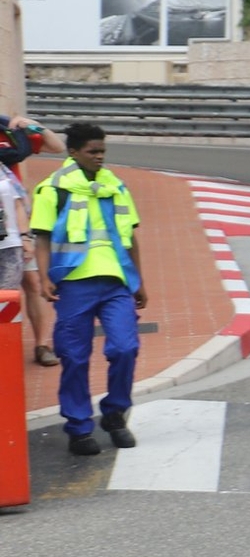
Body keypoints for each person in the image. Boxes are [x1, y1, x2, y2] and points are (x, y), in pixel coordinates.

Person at [26, 123, 147, 458]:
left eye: (103, 151)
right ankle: (79, 428)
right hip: (74, 284)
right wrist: (43, 276)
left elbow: (131, 237)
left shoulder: (115, 186)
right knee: (75, 357)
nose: (99, 157)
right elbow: (43, 237)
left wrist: (140, 281)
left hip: (116, 283)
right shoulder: (53, 188)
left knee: (125, 348)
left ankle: (114, 414)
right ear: (73, 151)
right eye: (93, 151)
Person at [0, 116, 57, 367]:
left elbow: (57, 147)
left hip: (17, 217)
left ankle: (42, 345)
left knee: (32, 281)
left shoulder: (8, 134)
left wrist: (31, 124)